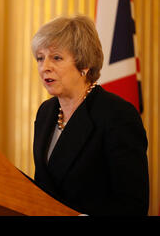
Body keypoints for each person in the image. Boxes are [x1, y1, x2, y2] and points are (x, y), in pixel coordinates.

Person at [31, 15, 149, 215]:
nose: (44, 67)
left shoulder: (118, 115)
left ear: (84, 64)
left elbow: (133, 205)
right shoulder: (46, 112)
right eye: (40, 58)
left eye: (56, 57)